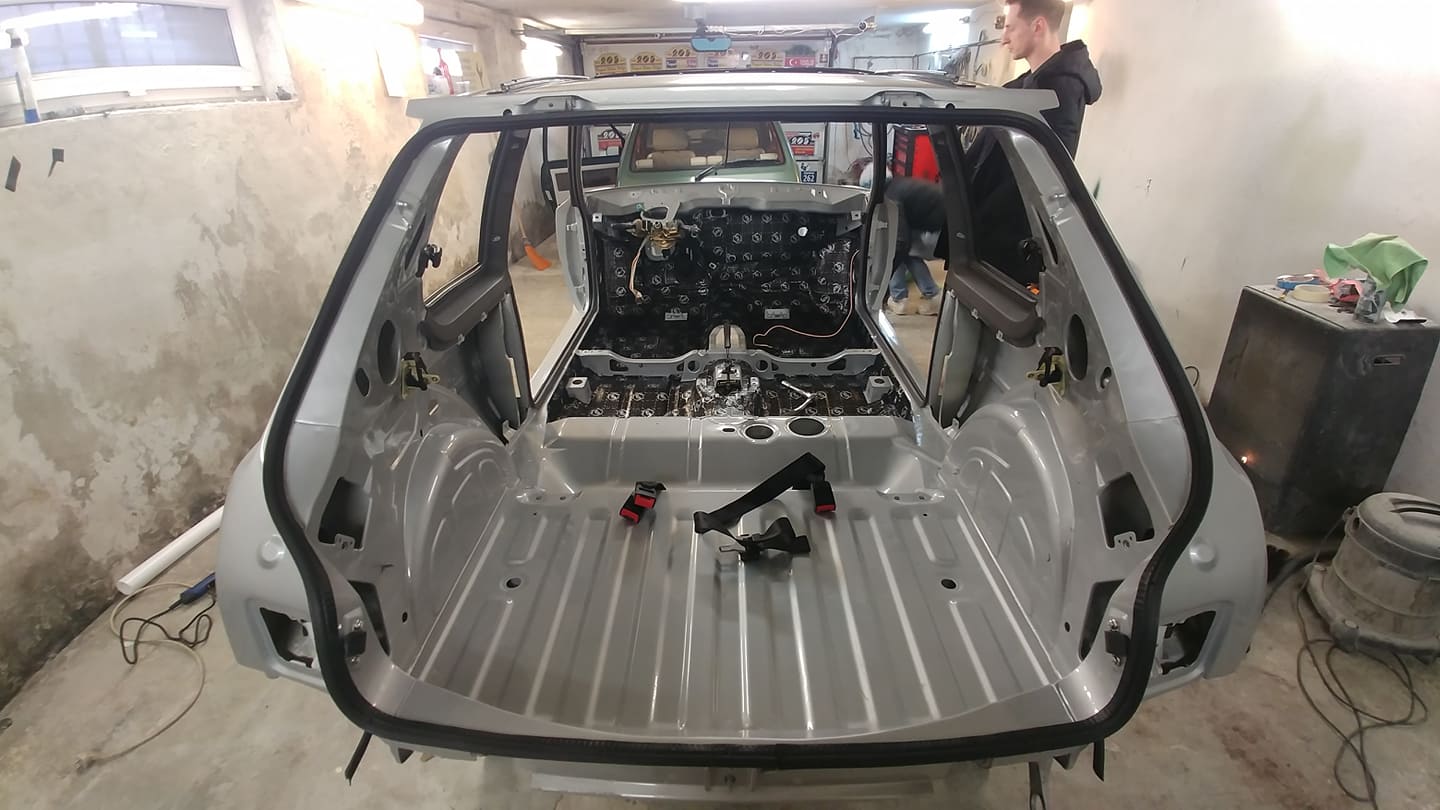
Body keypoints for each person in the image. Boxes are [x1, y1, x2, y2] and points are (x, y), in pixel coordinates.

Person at [969, 0, 1102, 284]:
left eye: (1010, 28)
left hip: (1010, 242)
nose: (1004, 39)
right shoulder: (1028, 87)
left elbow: (1036, 175)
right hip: (991, 234)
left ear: (1037, 26)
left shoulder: (1058, 91)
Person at [883, 176, 946, 316]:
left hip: (939, 232)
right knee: (910, 254)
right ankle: (933, 294)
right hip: (945, 222)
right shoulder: (898, 184)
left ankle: (899, 299)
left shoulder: (891, 197)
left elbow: (900, 241)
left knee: (895, 251)